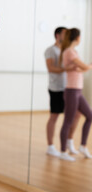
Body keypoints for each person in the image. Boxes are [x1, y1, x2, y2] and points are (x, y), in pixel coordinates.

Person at [45, 27, 80, 157]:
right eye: (64, 34)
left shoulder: (68, 50)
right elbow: (51, 68)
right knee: (54, 116)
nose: (66, 36)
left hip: (68, 88)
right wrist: (67, 68)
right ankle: (50, 146)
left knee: (76, 114)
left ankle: (69, 141)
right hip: (56, 89)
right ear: (57, 35)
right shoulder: (50, 50)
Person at [59, 28, 92, 161]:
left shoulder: (74, 52)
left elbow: (81, 69)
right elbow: (84, 68)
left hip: (78, 91)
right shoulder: (69, 52)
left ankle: (83, 146)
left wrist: (83, 67)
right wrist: (87, 66)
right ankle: (62, 151)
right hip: (72, 91)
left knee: (90, 116)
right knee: (68, 120)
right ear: (77, 37)